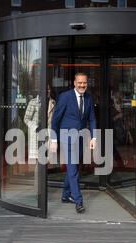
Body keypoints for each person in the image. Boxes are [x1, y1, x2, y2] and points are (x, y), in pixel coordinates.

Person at [50, 73, 97, 214]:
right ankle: (78, 201)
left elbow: (92, 119)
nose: (82, 85)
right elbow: (55, 119)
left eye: (85, 83)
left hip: (81, 138)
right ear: (74, 82)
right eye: (80, 83)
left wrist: (94, 137)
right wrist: (54, 139)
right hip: (67, 137)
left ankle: (66, 195)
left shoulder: (88, 98)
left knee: (74, 167)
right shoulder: (65, 97)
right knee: (73, 170)